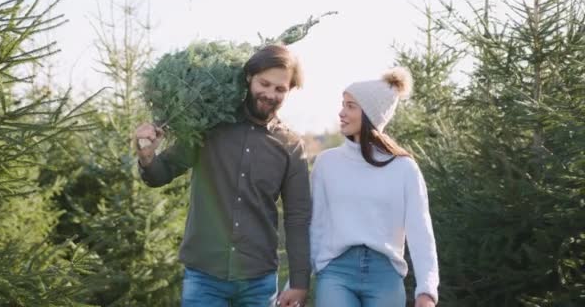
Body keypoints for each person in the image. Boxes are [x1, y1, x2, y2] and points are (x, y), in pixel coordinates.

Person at [134, 44, 312, 307]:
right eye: (265, 83)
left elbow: (298, 217)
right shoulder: (210, 126)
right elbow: (162, 173)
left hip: (259, 280)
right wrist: (147, 156)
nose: (270, 94)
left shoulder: (291, 146)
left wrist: (299, 282)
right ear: (250, 77)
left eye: (280, 89)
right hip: (204, 275)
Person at [310, 67, 439, 307]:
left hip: (386, 275)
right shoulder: (327, 163)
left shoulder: (404, 169)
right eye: (342, 104)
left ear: (370, 114)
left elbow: (420, 231)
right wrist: (295, 283)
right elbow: (316, 225)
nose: (341, 112)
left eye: (350, 106)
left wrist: (427, 290)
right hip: (336, 271)